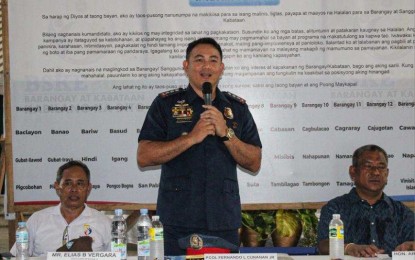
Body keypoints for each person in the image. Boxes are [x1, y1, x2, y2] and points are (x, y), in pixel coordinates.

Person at [137, 37, 262, 255]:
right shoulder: (166, 104)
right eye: (199, 60)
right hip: (176, 220)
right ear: (186, 66)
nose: (206, 66)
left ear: (221, 68)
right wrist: (191, 138)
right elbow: (144, 156)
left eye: (213, 60)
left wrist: (226, 134)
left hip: (222, 221)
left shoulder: (237, 108)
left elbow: (254, 162)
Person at [317, 144, 415, 257]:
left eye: (381, 167)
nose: (376, 172)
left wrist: (410, 246)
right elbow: (323, 246)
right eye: (368, 166)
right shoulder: (335, 208)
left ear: (387, 173)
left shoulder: (401, 212)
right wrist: (349, 248)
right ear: (353, 172)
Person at [10, 160, 112, 256]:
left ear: (88, 189)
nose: (74, 189)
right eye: (68, 183)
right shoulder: (37, 220)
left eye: (80, 184)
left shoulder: (104, 223)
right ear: (57, 187)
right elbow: (16, 256)